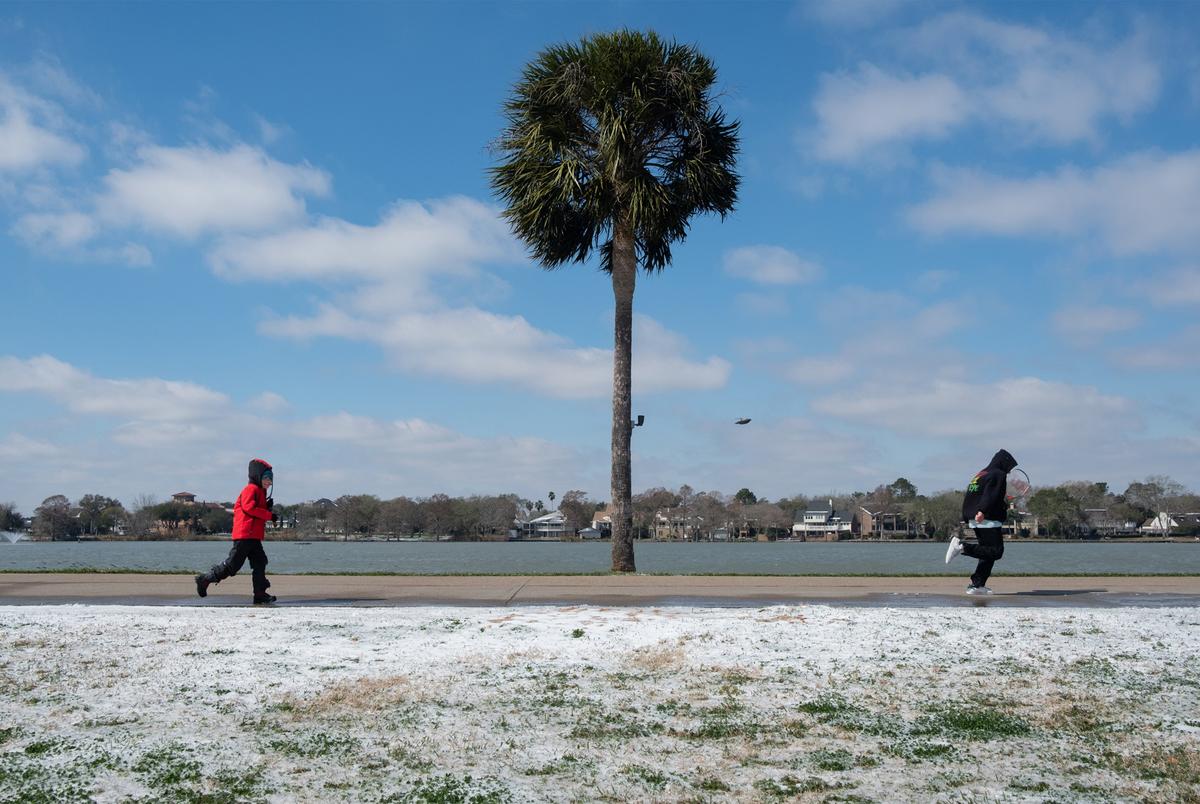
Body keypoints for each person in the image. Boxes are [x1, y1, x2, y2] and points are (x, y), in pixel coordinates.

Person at [195, 458, 278, 604]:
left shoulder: (260, 491)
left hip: (254, 536)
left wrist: (266, 507)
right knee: (233, 565)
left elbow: (256, 510)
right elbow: (249, 508)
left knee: (260, 562)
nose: (269, 482)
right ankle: (205, 579)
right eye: (266, 478)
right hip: (245, 535)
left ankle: (259, 594)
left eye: (270, 479)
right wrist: (269, 514)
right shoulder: (250, 489)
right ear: (257, 476)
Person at [944, 449, 1018, 595]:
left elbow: (979, 494)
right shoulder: (998, 474)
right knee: (996, 552)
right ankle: (961, 546)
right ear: (1004, 463)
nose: (1009, 472)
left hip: (976, 517)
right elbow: (990, 495)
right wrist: (982, 511)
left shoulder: (982, 473)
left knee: (987, 553)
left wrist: (978, 511)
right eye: (1009, 468)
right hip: (986, 518)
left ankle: (977, 585)